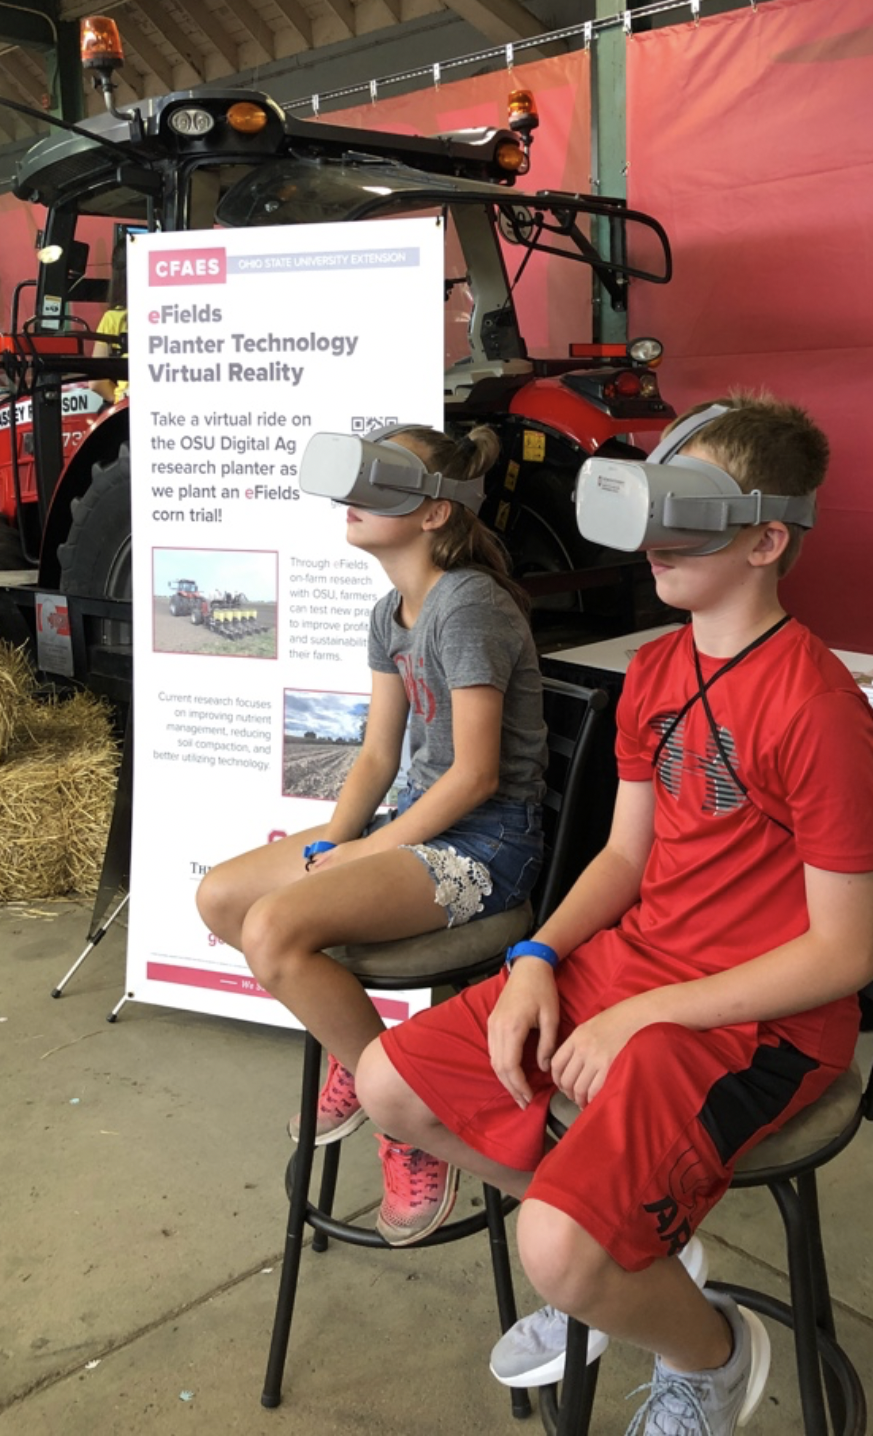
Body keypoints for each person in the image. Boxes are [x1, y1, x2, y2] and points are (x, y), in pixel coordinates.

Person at [355, 395, 873, 1433]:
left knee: (553, 1249)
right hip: (636, 966)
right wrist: (533, 955)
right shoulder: (654, 669)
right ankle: (632, 1255)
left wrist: (652, 1016)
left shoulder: (817, 708)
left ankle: (709, 1350)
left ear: (765, 536)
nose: (651, 539)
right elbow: (623, 854)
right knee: (390, 1082)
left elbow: (845, 949)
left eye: (681, 511)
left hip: (762, 1024)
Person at [196, 425, 546, 1245]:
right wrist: (336, 846)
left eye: (379, 482)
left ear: (431, 513)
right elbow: (380, 753)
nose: (352, 499)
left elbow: (475, 776)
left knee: (275, 928)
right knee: (223, 897)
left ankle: (405, 1116)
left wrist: (357, 857)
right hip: (415, 828)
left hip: (486, 844)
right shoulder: (390, 610)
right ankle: (370, 1065)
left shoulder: (469, 603)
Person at [89, 241, 128, 405]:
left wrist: (119, 399)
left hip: (129, 406)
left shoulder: (114, 318)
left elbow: (96, 382)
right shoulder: (176, 312)